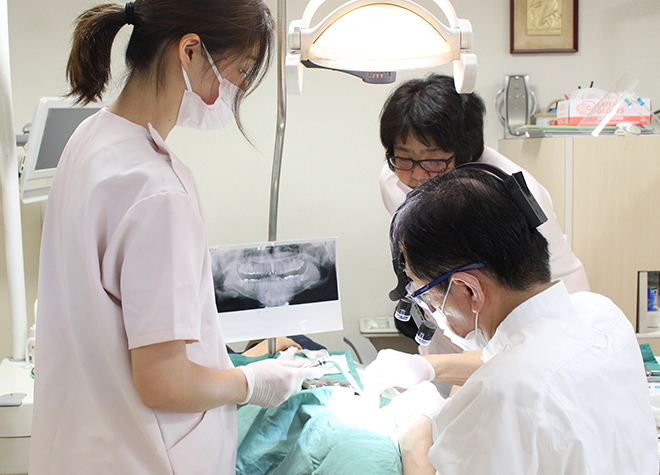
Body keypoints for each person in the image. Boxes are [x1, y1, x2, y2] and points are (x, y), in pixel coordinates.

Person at [29, 2, 322, 474]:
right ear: (190, 51)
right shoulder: (157, 189)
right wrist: (250, 382)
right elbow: (165, 383)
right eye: (242, 70)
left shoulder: (89, 139)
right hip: (144, 458)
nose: (239, 89)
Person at [366, 166, 658, 474]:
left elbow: (514, 378)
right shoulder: (602, 314)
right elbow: (527, 359)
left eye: (425, 294)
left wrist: (416, 430)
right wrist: (429, 368)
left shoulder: (498, 397)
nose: (429, 309)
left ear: (469, 289)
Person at [378, 73, 590, 394]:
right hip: (454, 321)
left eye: (433, 160)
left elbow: (529, 326)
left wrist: (435, 367)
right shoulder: (395, 181)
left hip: (529, 331)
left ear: (467, 153)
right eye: (403, 157)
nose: (417, 175)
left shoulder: (512, 200)